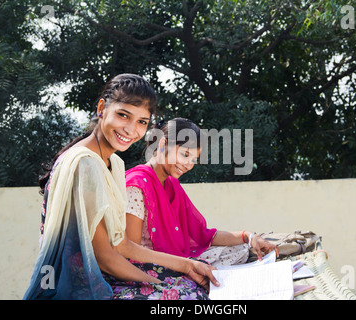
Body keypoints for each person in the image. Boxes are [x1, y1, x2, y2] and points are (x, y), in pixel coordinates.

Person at [23, 75, 219, 300]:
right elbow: (105, 257)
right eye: (123, 115)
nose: (131, 129)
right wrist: (161, 286)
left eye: (141, 122)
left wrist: (186, 266)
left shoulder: (114, 163)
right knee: (185, 295)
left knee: (193, 283)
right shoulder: (84, 164)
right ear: (101, 108)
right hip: (75, 284)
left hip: (102, 274)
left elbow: (122, 244)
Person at [125, 118, 279, 267]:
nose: (188, 165)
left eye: (193, 160)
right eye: (185, 155)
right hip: (150, 267)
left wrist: (249, 236)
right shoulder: (137, 185)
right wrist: (186, 265)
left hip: (180, 260)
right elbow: (131, 252)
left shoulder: (171, 185)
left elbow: (203, 235)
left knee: (239, 250)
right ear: (163, 144)